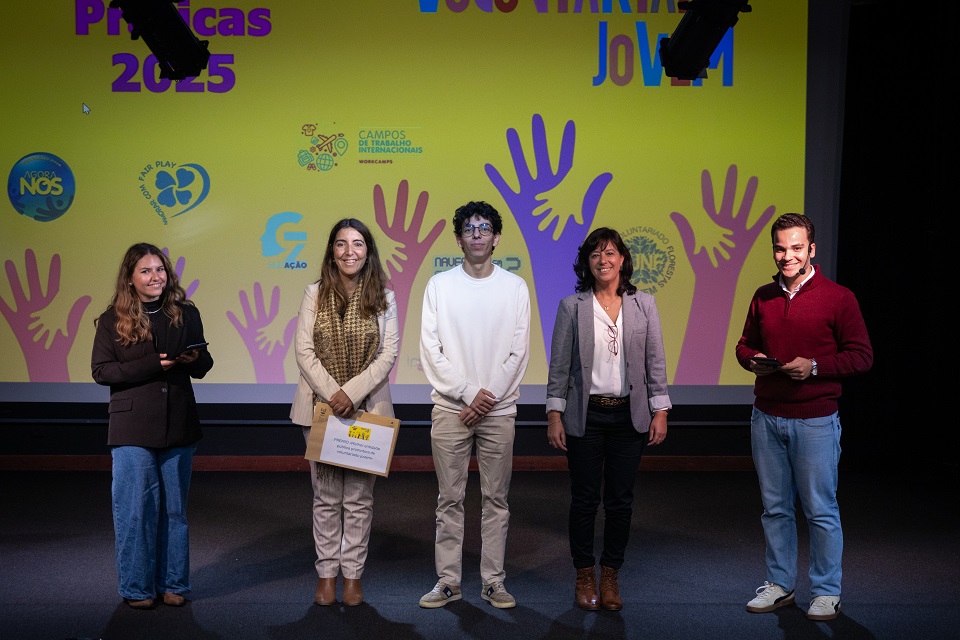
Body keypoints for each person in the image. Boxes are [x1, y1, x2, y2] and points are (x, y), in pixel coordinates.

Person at [735, 212, 873, 621]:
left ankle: (827, 591)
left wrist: (814, 367)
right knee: (775, 507)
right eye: (780, 248)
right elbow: (744, 345)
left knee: (820, 508)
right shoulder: (763, 295)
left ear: (811, 249)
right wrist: (753, 360)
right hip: (767, 417)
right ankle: (780, 585)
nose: (787, 255)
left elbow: (862, 356)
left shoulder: (839, 297)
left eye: (796, 248)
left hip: (815, 420)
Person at [545, 227, 671, 611]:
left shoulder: (644, 304)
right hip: (586, 416)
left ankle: (610, 575)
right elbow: (560, 368)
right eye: (596, 254)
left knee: (620, 503)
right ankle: (584, 575)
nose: (604, 260)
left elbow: (655, 362)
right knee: (584, 501)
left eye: (611, 253)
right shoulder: (572, 306)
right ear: (588, 261)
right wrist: (554, 414)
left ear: (622, 260)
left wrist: (660, 410)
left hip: (628, 418)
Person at [418, 201, 531, 609]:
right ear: (459, 238)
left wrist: (485, 401)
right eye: (470, 228)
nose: (478, 234)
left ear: (497, 237)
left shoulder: (514, 287)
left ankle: (493, 582)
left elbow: (518, 353)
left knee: (495, 500)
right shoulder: (439, 286)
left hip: (498, 412)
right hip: (451, 409)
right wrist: (468, 393)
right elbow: (431, 351)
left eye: (485, 228)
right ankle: (448, 582)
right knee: (449, 500)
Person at [91, 242, 214, 609]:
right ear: (130, 278)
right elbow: (102, 371)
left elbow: (204, 363)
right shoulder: (112, 319)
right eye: (145, 271)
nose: (155, 276)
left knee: (174, 511)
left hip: (178, 423)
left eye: (159, 269)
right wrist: (152, 365)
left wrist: (193, 359)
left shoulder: (186, 313)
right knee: (134, 512)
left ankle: (173, 583)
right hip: (131, 427)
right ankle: (137, 588)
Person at [290, 218, 399, 607]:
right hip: (320, 410)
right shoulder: (314, 293)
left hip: (366, 410)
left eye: (357, 244)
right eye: (341, 244)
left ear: (367, 252)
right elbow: (304, 351)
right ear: (331, 251)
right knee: (325, 496)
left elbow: (388, 355)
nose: (349, 252)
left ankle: (352, 575)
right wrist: (333, 394)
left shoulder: (384, 297)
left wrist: (350, 394)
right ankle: (326, 575)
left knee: (358, 498)